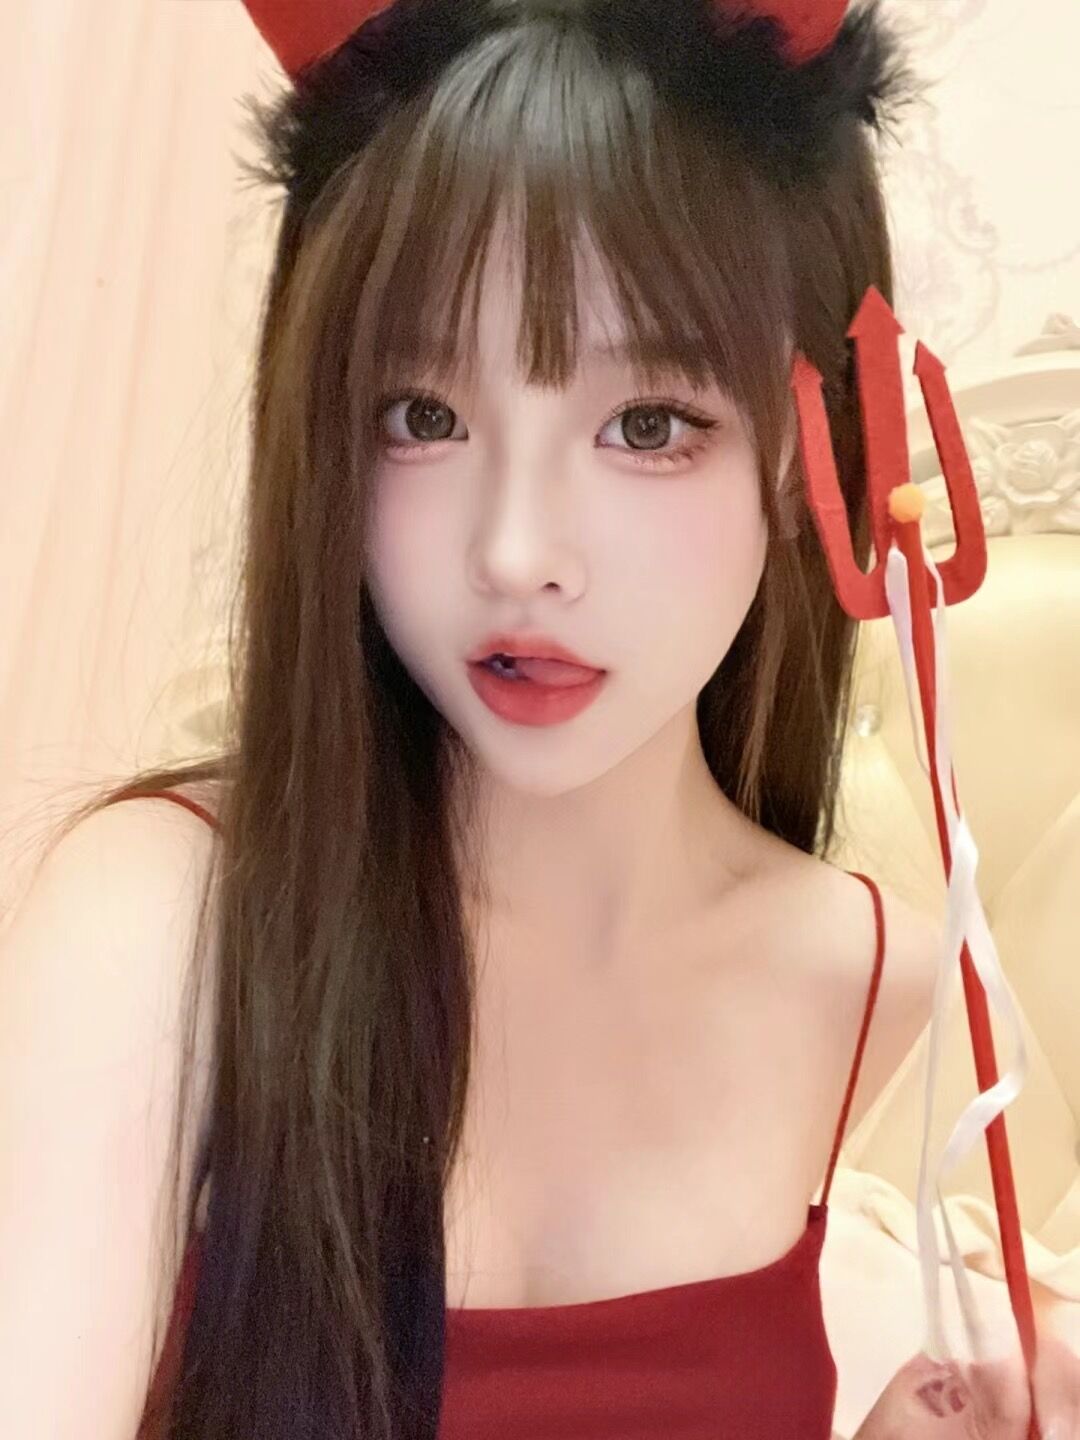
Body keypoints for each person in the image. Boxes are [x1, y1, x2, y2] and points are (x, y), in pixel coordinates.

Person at [1, 0, 1075, 1436]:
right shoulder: (167, 921)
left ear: (813, 452)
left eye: (649, 425)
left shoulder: (879, 984)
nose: (515, 553)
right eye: (422, 416)